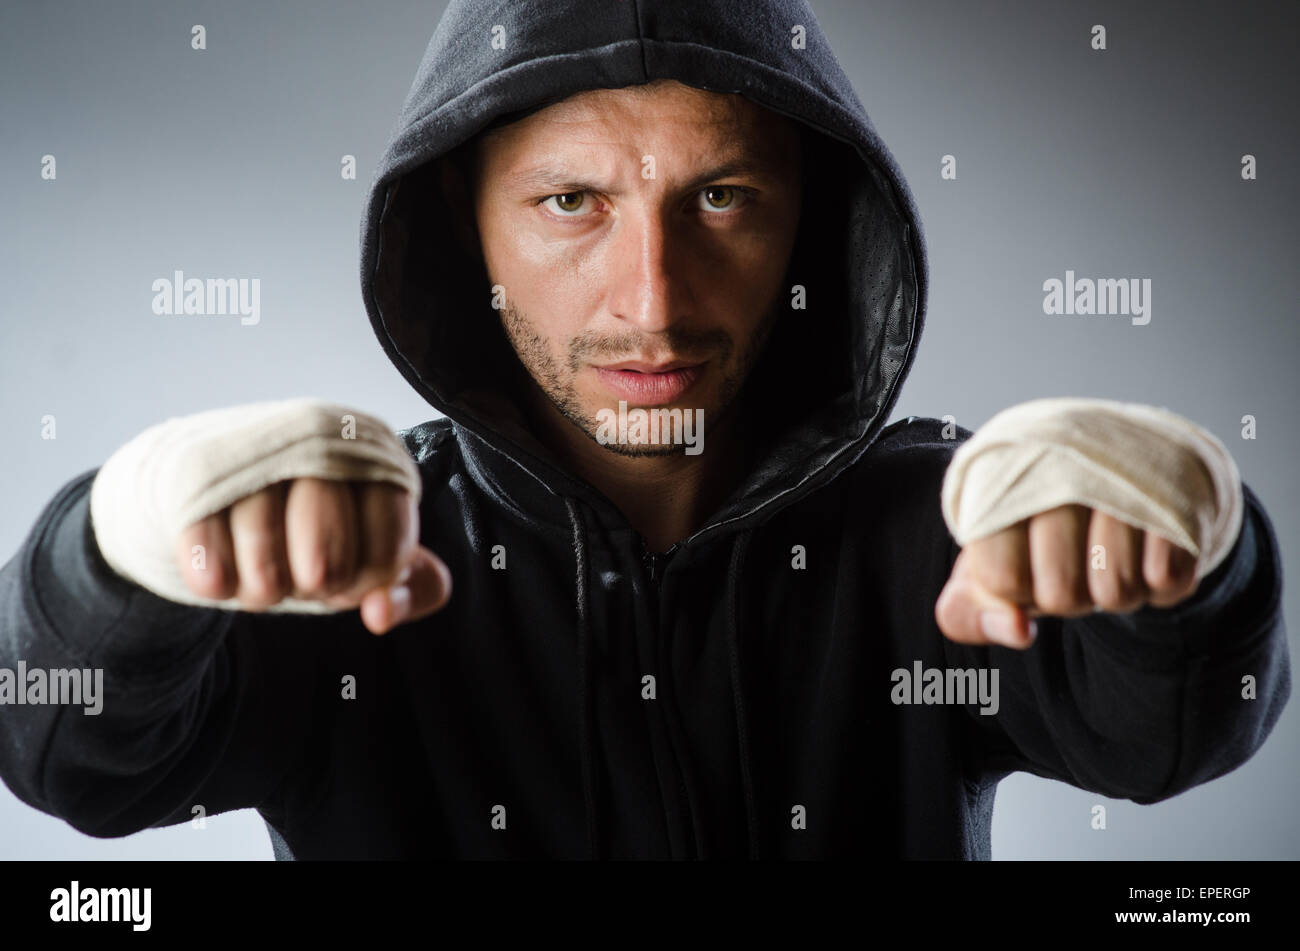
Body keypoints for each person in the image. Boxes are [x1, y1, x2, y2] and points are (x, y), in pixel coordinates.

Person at [0, 0, 1288, 860]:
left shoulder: (952, 535)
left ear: (808, 215)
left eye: (720, 197)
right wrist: (111, 556)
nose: (654, 301)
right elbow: (59, 752)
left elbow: (1172, 732)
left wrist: (1184, 552)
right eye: (572, 201)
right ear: (466, 220)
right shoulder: (341, 566)